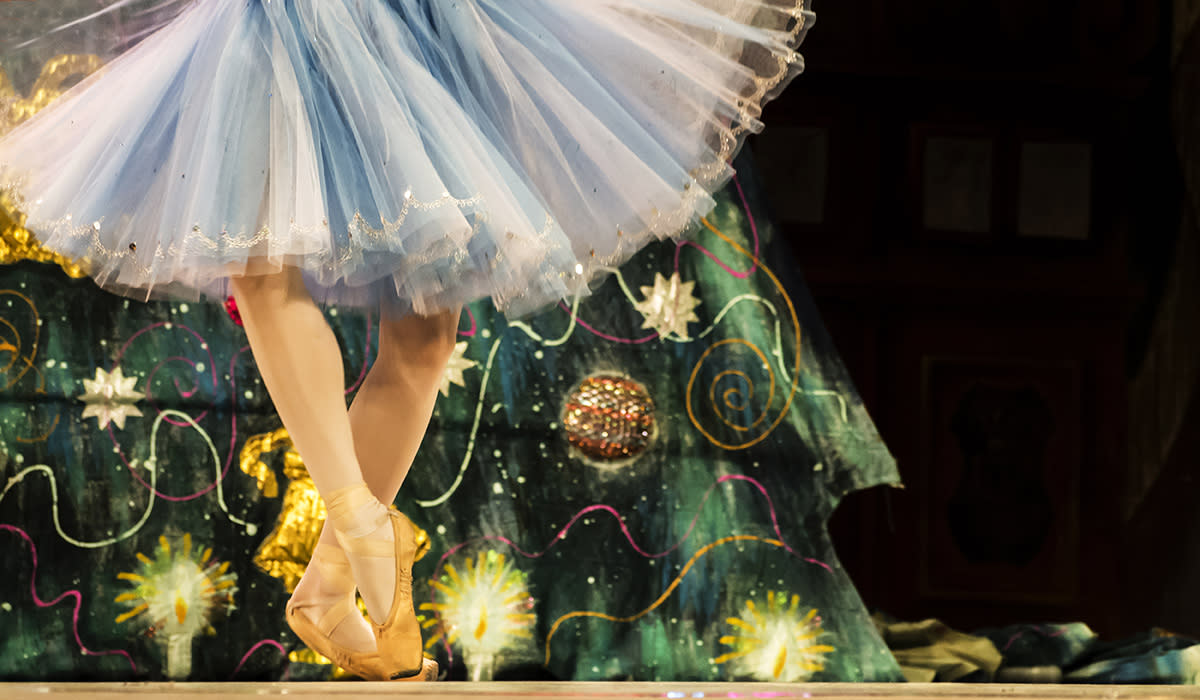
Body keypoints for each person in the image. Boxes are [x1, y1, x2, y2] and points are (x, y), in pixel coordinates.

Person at [0, 0, 813, 681]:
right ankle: (359, 525)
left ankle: (331, 579)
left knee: (424, 330)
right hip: (286, 21)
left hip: (425, 22)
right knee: (269, 267)